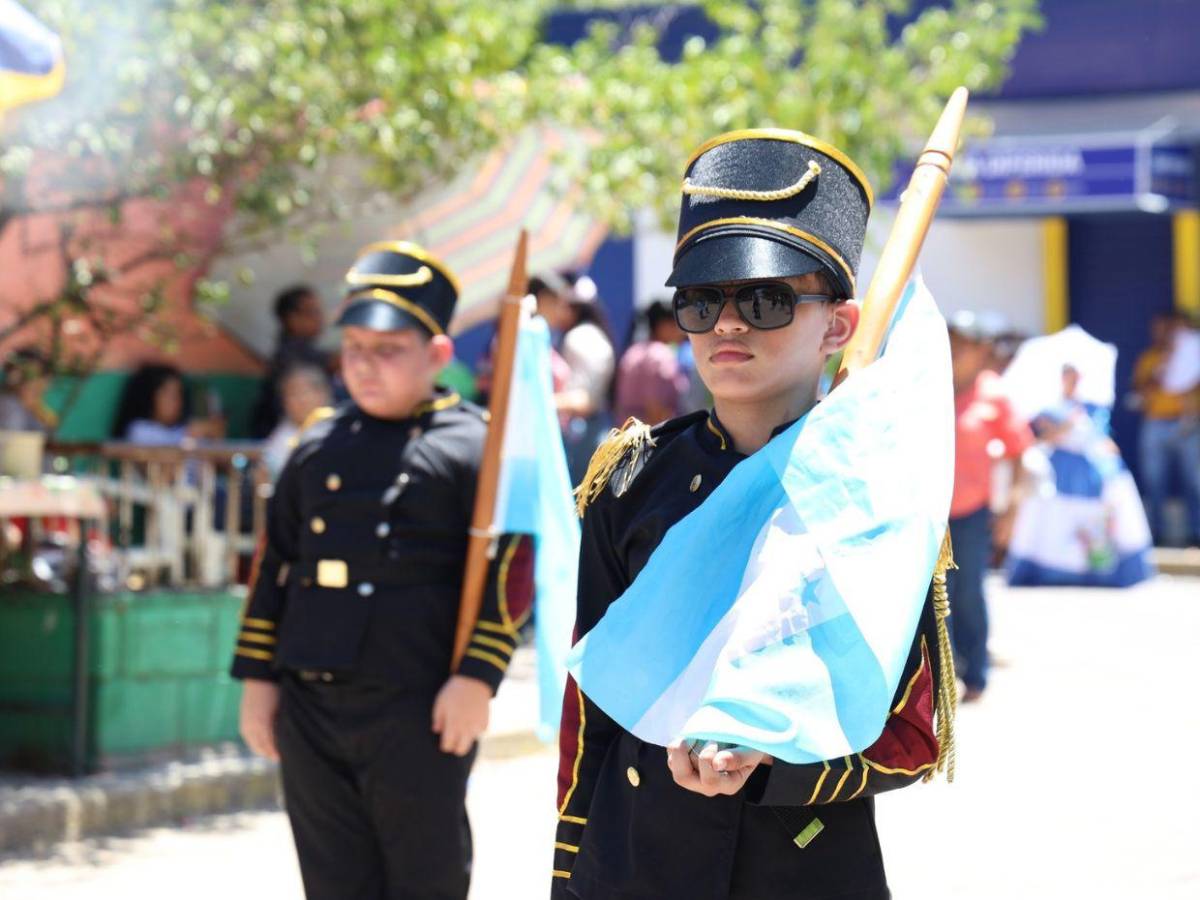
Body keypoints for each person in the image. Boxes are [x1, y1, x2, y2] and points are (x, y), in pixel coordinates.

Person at [552, 130, 949, 900]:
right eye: (700, 302)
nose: (726, 325)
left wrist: (772, 764)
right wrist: (568, 875)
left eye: (764, 300)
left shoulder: (874, 495)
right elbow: (588, 720)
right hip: (634, 864)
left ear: (837, 324)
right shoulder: (631, 481)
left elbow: (913, 739)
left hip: (799, 866)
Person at [230, 241, 534, 900]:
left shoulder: (474, 448)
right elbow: (274, 564)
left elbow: (515, 572)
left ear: (438, 356)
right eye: (355, 349)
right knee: (333, 880)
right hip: (311, 705)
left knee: (425, 877)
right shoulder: (316, 444)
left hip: (418, 706)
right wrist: (257, 676)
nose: (365, 367)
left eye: (388, 351)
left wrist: (477, 678)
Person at [945, 312, 1032, 702]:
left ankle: (975, 673)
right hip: (930, 512)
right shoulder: (927, 386)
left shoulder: (993, 394)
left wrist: (1011, 510)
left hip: (972, 512)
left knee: (968, 593)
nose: (955, 350)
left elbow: (1020, 453)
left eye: (964, 343)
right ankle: (941, 678)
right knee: (934, 597)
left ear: (981, 351)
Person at [1006, 364, 1153, 586]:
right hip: (1058, 473)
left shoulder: (1092, 408)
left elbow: (1101, 437)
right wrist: (1066, 425)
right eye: (1070, 377)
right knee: (1054, 520)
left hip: (1090, 473)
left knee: (1094, 520)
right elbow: (1041, 438)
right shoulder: (1050, 408)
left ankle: (1096, 569)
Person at [534, 271, 616, 481]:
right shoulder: (588, 334)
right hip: (588, 431)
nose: (559, 310)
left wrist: (538, 403)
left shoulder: (579, 337)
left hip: (580, 436)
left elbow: (584, 399)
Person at [1132, 311, 1200, 546]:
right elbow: (1141, 391)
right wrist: (1166, 364)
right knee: (1154, 481)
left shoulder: (1194, 354)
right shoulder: (1150, 359)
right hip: (1156, 424)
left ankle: (1196, 533)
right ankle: (1156, 534)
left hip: (1187, 425)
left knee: (1194, 481)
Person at [249, 284, 331, 438]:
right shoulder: (289, 358)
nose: (320, 318)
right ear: (292, 318)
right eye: (313, 312)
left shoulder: (306, 352)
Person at [612, 299, 689, 425]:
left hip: (627, 437)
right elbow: (656, 410)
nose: (682, 330)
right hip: (652, 439)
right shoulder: (660, 355)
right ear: (662, 326)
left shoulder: (632, 351)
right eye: (676, 324)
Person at [111, 363, 225, 443]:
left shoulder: (181, 430)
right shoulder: (140, 431)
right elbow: (162, 475)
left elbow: (223, 466)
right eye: (167, 394)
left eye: (178, 394)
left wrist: (215, 436)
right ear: (149, 397)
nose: (176, 401)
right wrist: (190, 437)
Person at [260, 363, 334, 479]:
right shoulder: (281, 436)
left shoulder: (337, 430)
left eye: (305, 392)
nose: (300, 400)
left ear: (323, 394)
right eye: (293, 393)